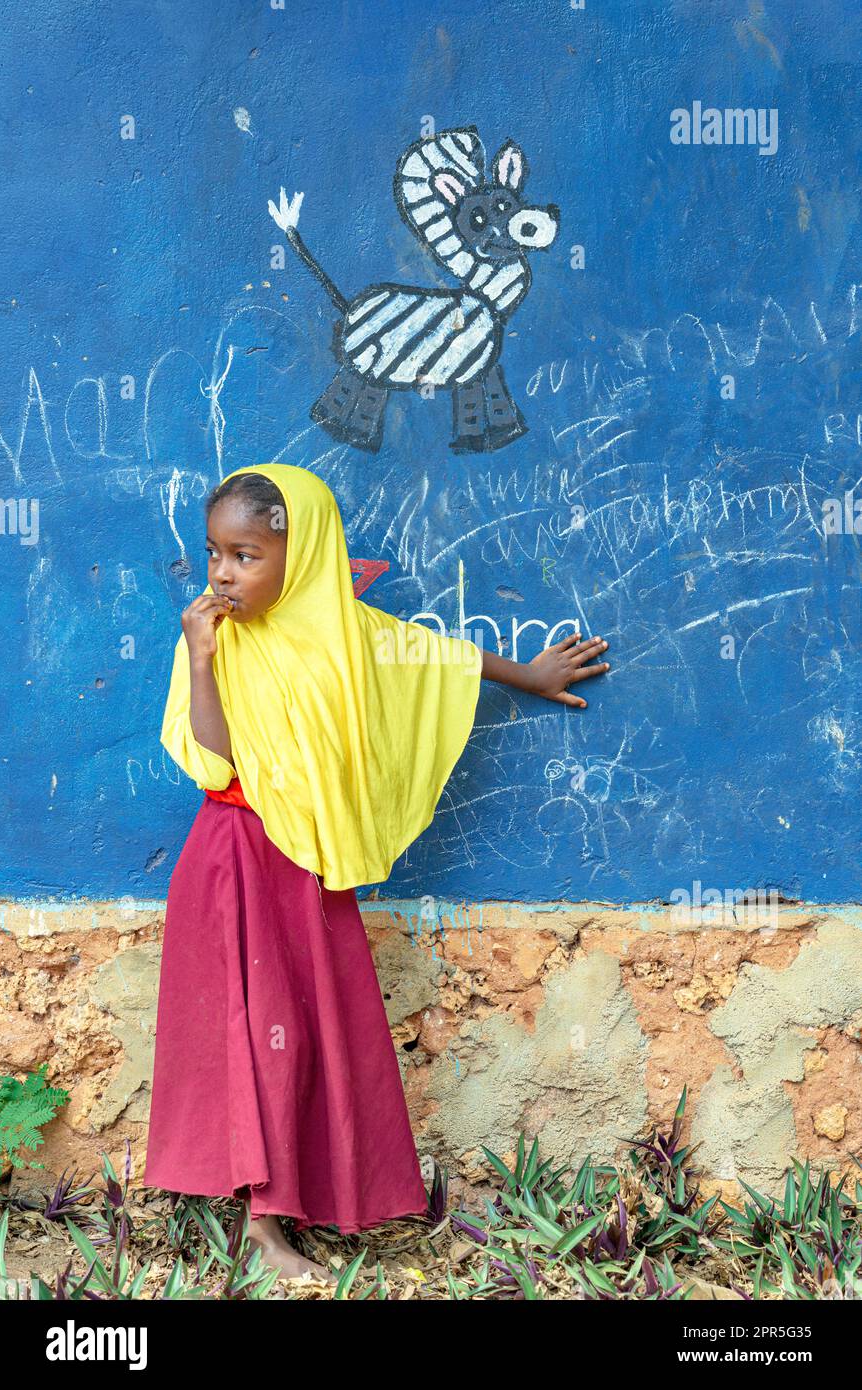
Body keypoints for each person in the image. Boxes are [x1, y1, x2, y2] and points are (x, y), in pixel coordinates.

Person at [142, 462, 610, 1284]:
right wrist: (205, 659)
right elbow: (214, 767)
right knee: (260, 1039)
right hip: (237, 864)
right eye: (216, 553)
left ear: (304, 552)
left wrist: (528, 675)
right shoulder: (213, 641)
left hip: (313, 871)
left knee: (317, 1033)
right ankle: (262, 1227)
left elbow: (439, 661)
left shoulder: (352, 635)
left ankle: (317, 1198)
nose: (221, 572)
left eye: (246, 554)